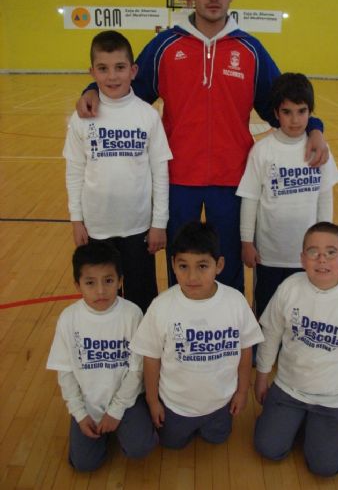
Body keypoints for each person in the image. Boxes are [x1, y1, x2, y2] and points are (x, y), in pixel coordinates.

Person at [76, 0, 328, 293]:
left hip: (233, 178)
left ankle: (228, 334)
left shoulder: (250, 49)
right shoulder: (165, 46)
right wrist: (93, 87)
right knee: (183, 263)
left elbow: (286, 103)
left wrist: (315, 127)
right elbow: (125, 88)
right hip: (178, 176)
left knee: (226, 263)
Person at [254, 222, 338, 477]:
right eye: (313, 252)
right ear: (302, 259)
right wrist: (262, 376)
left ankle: (317, 428)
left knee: (324, 467)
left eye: (331, 252)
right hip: (289, 389)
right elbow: (271, 333)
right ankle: (301, 422)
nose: (322, 259)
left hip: (336, 399)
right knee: (269, 448)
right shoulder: (290, 288)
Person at [129, 221, 264, 449]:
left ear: (219, 265)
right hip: (175, 405)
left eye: (202, 266)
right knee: (172, 444)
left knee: (217, 438)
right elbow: (150, 357)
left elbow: (245, 349)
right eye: (183, 266)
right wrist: (152, 401)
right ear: (172, 264)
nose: (192, 276)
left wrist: (242, 391)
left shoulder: (235, 302)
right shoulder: (161, 306)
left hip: (221, 404)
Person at [64, 30, 172, 312]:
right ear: (92, 72)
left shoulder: (147, 116)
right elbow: (74, 171)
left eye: (120, 67)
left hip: (138, 229)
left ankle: (144, 354)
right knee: (103, 300)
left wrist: (159, 222)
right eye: (103, 69)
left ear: (133, 70)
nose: (112, 76)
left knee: (142, 299)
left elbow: (160, 172)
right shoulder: (82, 118)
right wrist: (77, 219)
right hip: (97, 228)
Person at [236, 73, 338, 322]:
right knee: (267, 311)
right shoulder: (262, 151)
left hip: (308, 253)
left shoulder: (320, 150)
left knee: (302, 309)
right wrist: (246, 242)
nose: (295, 120)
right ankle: (264, 355)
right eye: (287, 112)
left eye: (302, 111)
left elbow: (324, 198)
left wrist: (325, 243)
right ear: (276, 112)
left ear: (311, 112)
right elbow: (250, 199)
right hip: (269, 253)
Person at [46, 242, 158, 471]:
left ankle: (127, 426)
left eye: (108, 281)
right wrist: (78, 412)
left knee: (140, 447)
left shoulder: (132, 314)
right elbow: (65, 373)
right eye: (90, 282)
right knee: (84, 465)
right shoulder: (68, 319)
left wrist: (116, 410)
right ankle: (103, 430)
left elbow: (137, 370)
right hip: (89, 404)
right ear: (77, 284)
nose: (100, 291)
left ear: (120, 281)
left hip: (128, 401)